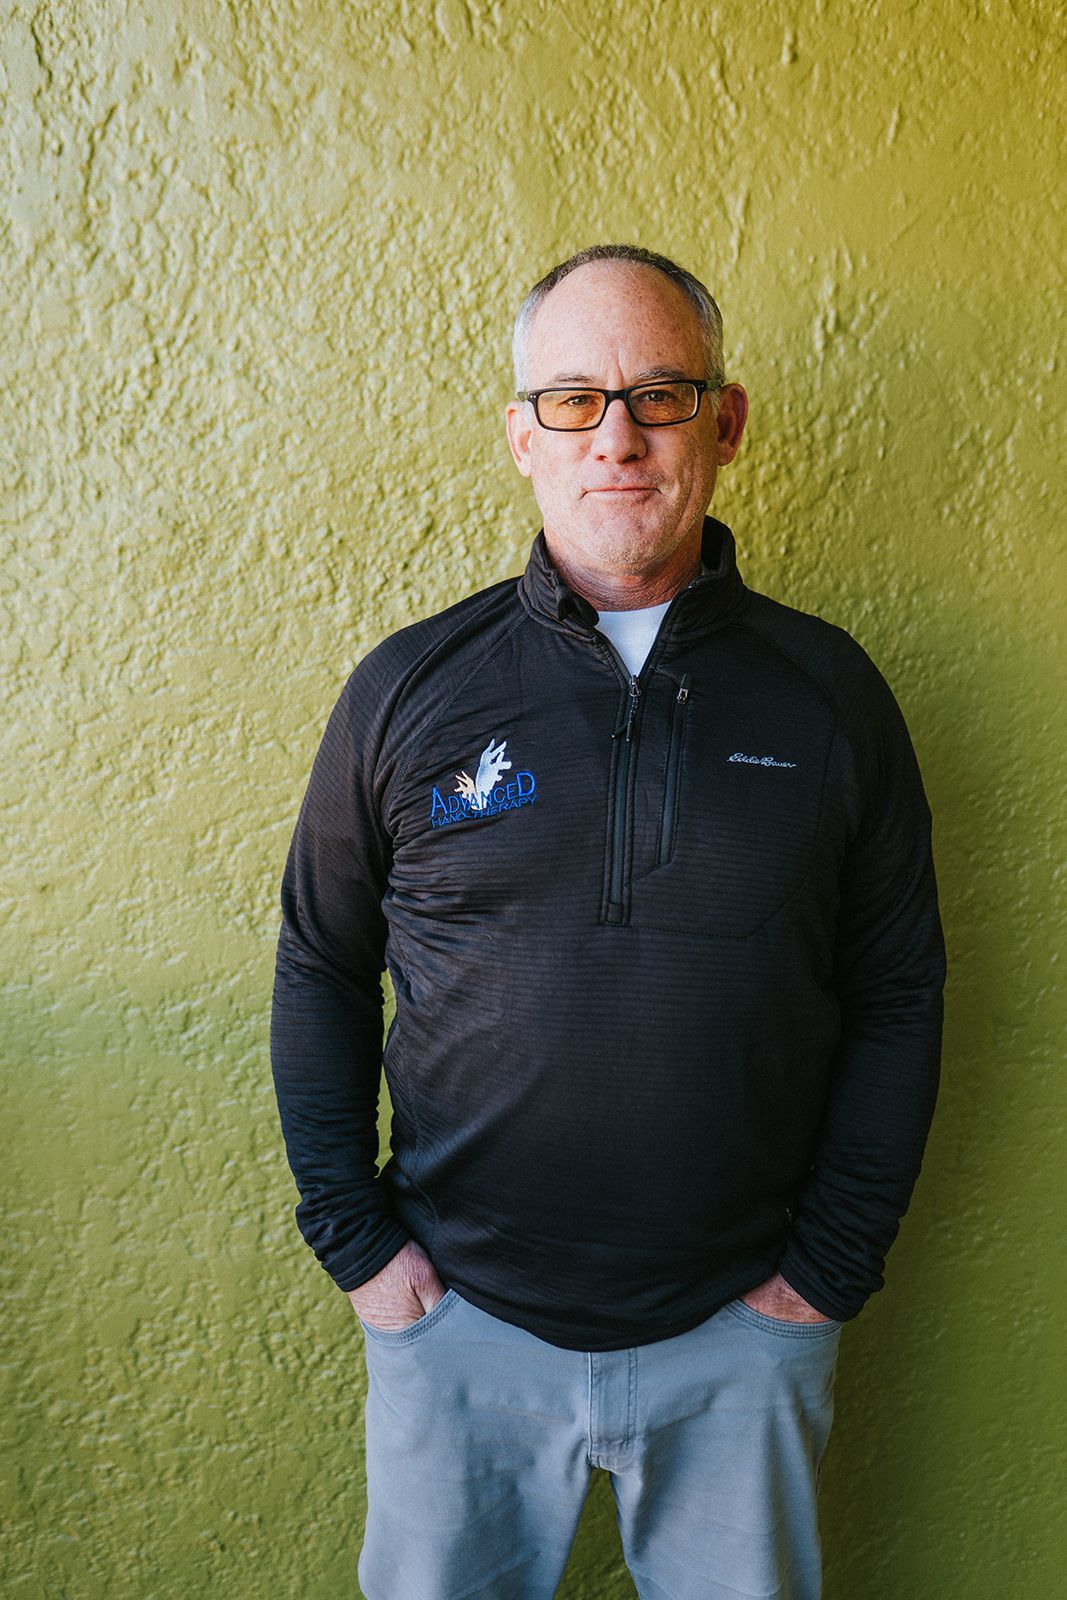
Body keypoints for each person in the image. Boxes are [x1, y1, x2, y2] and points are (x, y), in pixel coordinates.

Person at [270, 244, 946, 1600]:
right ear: (521, 435)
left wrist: (823, 1276)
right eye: (573, 399)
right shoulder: (411, 688)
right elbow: (321, 964)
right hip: (458, 1333)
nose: (618, 436)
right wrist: (364, 1254)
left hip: (740, 1339)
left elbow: (898, 991)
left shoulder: (828, 695)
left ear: (727, 421)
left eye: (660, 392)